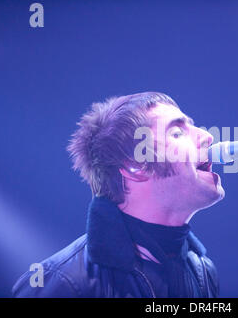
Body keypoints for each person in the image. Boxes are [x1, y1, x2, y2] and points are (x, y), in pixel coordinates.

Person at [12, 92, 225, 297]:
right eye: (177, 133)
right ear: (135, 166)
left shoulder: (203, 271)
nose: (207, 136)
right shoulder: (62, 283)